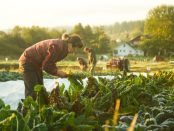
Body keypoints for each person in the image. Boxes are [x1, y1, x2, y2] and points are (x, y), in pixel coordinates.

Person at [19, 34, 83, 100]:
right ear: (70, 44)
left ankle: (37, 109)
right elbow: (46, 65)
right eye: (75, 48)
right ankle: (28, 109)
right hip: (28, 61)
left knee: (40, 89)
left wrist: (57, 71)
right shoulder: (57, 46)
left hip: (37, 64)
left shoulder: (64, 49)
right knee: (32, 91)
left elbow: (51, 61)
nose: (75, 51)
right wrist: (58, 72)